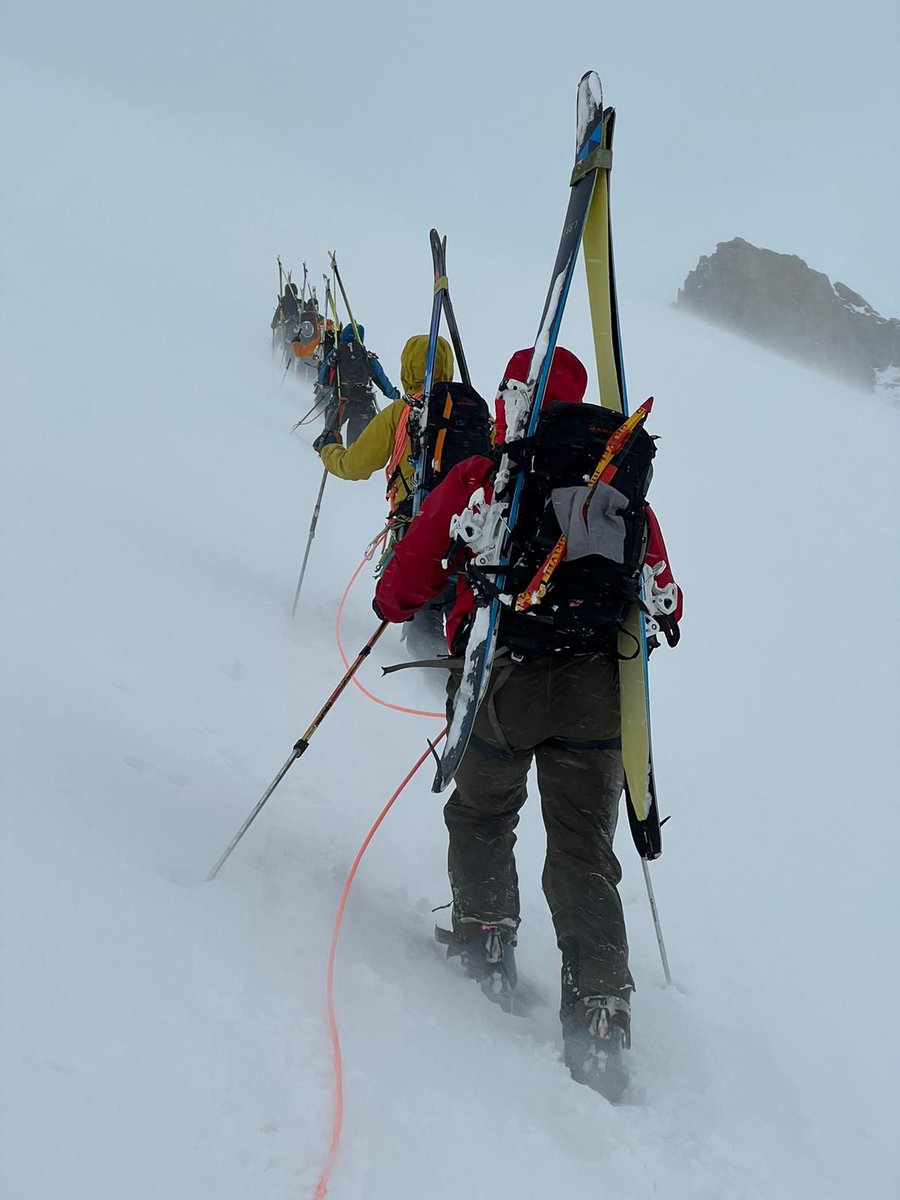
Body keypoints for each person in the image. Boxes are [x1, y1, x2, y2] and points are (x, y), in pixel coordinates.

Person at [373, 346, 682, 1099]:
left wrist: (393, 605)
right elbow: (666, 594)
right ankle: (602, 1003)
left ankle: (484, 936)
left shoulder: (492, 475)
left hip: (502, 677)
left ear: (517, 396)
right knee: (583, 850)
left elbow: (415, 565)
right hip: (596, 694)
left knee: (482, 813)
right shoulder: (618, 486)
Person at [314, 333, 489, 657]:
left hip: (419, 531)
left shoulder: (403, 413)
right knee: (460, 621)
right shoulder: (474, 413)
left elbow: (354, 465)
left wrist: (328, 450)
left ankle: (427, 680)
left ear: (408, 368)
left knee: (423, 616)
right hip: (470, 538)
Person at [315, 324, 400, 445]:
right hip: (363, 405)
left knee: (330, 438)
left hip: (340, 401)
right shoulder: (366, 356)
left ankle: (330, 457)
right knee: (355, 445)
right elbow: (383, 380)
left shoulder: (336, 354)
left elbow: (322, 379)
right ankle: (351, 460)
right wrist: (395, 395)